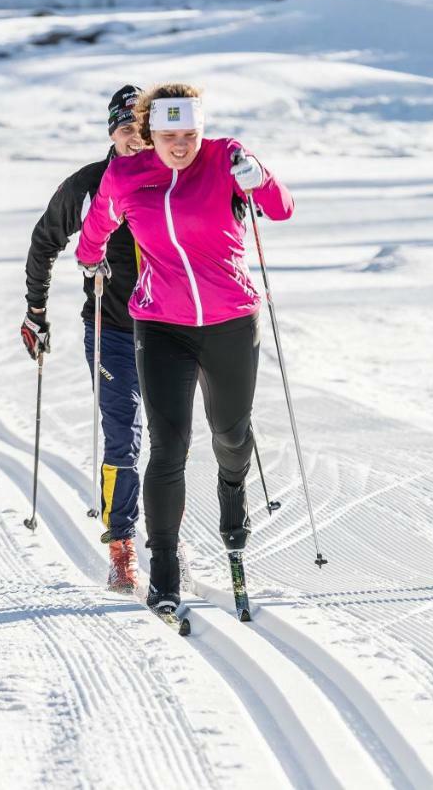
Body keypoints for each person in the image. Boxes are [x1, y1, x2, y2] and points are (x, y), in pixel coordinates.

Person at [74, 83, 294, 615]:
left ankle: (232, 511)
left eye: (190, 134)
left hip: (231, 322)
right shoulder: (126, 174)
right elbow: (95, 228)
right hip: (161, 327)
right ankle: (165, 570)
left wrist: (259, 179)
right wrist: (90, 257)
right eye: (169, 135)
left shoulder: (225, 158)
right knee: (169, 448)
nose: (180, 145)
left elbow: (279, 209)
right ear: (149, 131)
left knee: (231, 436)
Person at [21, 84, 146, 592]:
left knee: (172, 440)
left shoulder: (176, 180)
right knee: (124, 438)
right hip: (112, 330)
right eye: (125, 132)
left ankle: (165, 533)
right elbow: (45, 239)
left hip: (173, 332)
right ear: (111, 133)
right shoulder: (91, 184)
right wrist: (36, 310)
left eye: (143, 132)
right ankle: (122, 546)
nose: (135, 142)